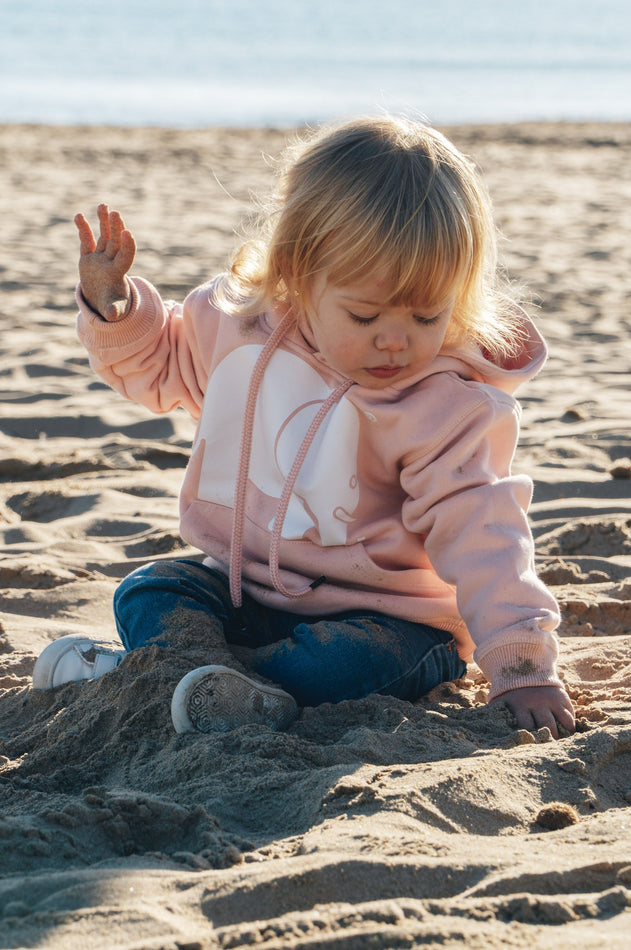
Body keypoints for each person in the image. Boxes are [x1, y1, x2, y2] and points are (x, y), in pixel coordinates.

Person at [33, 115, 575, 740]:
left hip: (391, 619)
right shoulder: (238, 331)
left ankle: (167, 678)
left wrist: (521, 664)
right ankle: (202, 680)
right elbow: (159, 366)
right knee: (149, 590)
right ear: (295, 272)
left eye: (428, 316)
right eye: (365, 314)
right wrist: (116, 310)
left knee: (343, 664)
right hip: (252, 592)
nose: (395, 340)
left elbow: (484, 530)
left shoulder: (445, 407)